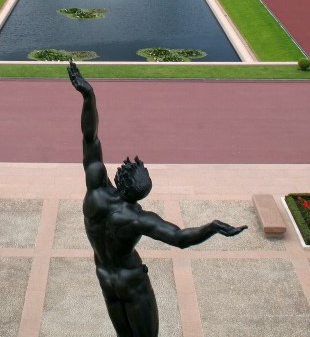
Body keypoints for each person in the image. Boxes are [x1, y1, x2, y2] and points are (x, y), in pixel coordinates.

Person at [67, 61, 246, 336]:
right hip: (132, 283)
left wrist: (88, 96)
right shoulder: (137, 218)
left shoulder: (96, 192)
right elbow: (180, 238)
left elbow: (90, 138)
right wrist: (212, 227)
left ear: (120, 178)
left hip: (104, 277)